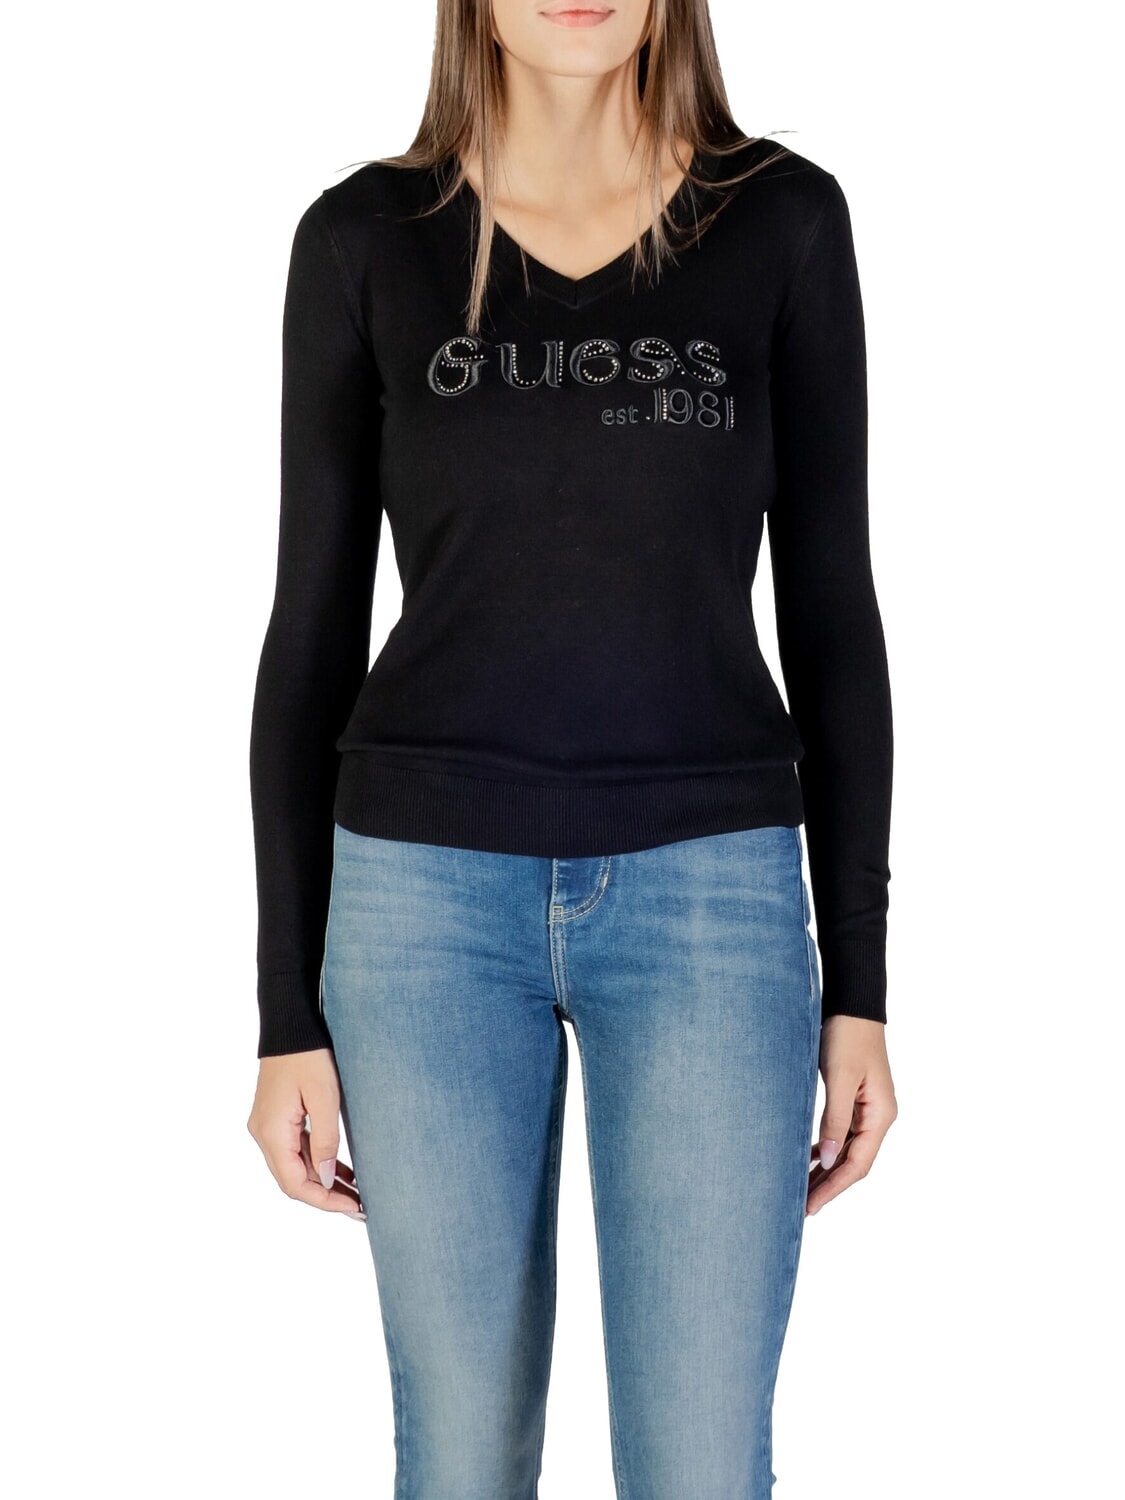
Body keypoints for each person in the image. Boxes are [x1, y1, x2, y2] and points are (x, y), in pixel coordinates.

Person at [247, 1, 898, 1494]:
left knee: (699, 1466)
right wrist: (285, 1010)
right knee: (462, 1456)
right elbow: (308, 636)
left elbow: (834, 613)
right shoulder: (363, 240)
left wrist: (859, 985)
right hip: (417, 906)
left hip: (712, 901)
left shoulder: (783, 223)